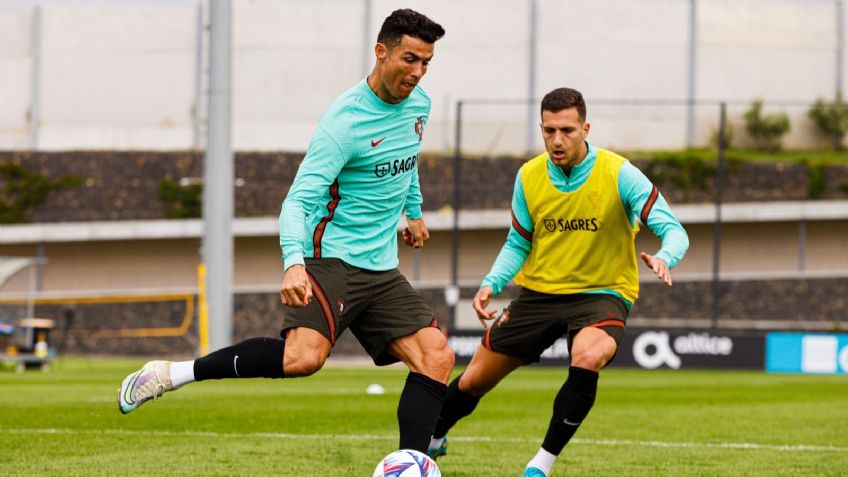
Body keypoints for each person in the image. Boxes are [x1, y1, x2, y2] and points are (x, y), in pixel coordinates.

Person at [118, 9, 453, 454]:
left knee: (437, 357)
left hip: (381, 267)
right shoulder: (344, 124)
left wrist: (414, 211)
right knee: (303, 358)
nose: (418, 72)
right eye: (410, 59)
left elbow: (407, 159)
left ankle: (410, 462)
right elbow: (298, 200)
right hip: (329, 256)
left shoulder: (420, 105)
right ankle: (170, 374)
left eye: (426, 62)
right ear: (381, 51)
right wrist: (294, 263)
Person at [426, 87, 689, 476]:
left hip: (603, 293)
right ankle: (434, 439)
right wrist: (490, 283)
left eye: (566, 130)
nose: (557, 140)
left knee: (587, 356)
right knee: (473, 382)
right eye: (548, 131)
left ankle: (540, 465)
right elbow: (518, 241)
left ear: (585, 128)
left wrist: (665, 257)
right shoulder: (530, 176)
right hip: (539, 295)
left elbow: (675, 231)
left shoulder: (619, 173)